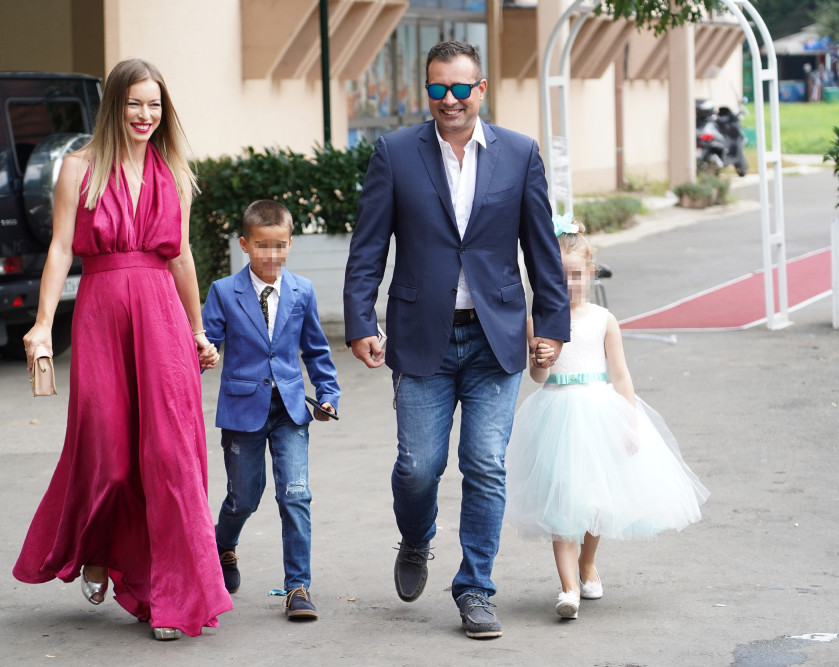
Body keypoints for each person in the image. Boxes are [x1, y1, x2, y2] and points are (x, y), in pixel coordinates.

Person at [342, 40, 570, 639]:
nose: (449, 99)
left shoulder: (519, 154)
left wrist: (551, 326)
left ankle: (475, 589)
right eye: (438, 88)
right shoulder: (395, 153)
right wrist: (360, 320)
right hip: (423, 337)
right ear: (427, 91)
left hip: (495, 337)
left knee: (485, 464)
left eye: (460, 88)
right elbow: (368, 247)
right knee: (419, 467)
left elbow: (541, 249)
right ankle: (416, 539)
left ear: (481, 90)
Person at [13, 58, 233, 640]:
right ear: (114, 105)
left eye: (154, 104)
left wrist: (198, 330)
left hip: (162, 320)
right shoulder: (78, 168)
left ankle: (170, 598)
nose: (145, 114)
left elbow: (180, 256)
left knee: (169, 460)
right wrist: (42, 324)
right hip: (101, 316)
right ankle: (98, 547)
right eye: (135, 103)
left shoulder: (174, 172)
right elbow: (61, 249)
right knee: (109, 457)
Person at [505, 215, 710, 620]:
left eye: (576, 275)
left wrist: (629, 423)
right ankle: (568, 589)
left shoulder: (603, 320)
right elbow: (538, 377)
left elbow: (621, 375)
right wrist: (541, 358)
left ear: (590, 272)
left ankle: (587, 563)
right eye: (559, 276)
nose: (568, 284)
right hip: (556, 416)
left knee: (595, 503)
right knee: (562, 502)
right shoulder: (537, 321)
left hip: (598, 413)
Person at [201, 199, 340, 621]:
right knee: (243, 498)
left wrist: (328, 393)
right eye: (262, 245)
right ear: (245, 244)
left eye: (280, 245)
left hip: (290, 411)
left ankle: (298, 587)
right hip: (242, 411)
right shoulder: (224, 291)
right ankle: (223, 545)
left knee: (296, 495)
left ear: (290, 244)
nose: (271, 254)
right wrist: (203, 354)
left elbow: (316, 350)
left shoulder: (302, 290)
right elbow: (206, 342)